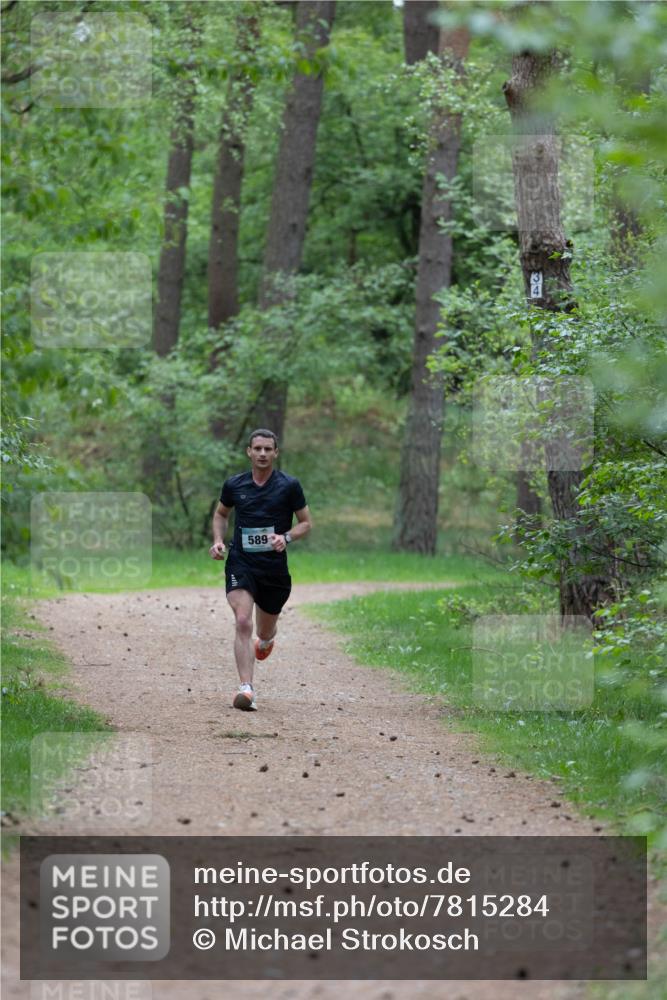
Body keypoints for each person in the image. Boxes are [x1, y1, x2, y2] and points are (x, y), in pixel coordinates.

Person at [209, 429, 312, 711]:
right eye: (258, 449)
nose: (263, 454)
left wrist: (286, 537)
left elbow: (306, 523)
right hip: (241, 562)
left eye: (268, 449)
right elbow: (221, 514)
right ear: (249, 452)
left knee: (264, 630)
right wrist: (218, 541)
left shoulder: (289, 486)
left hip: (273, 569)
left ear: (276, 453)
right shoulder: (234, 484)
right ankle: (246, 689)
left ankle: (266, 639)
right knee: (243, 620)